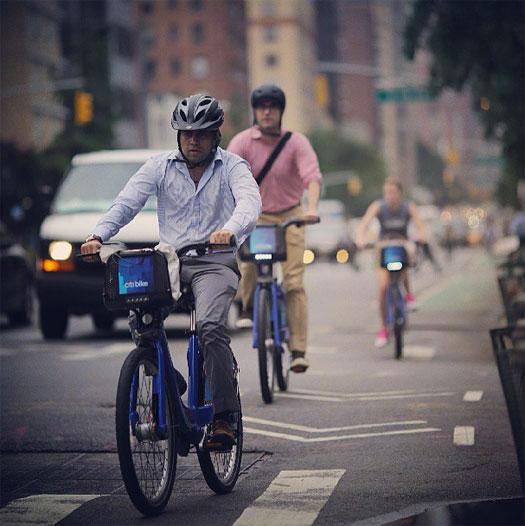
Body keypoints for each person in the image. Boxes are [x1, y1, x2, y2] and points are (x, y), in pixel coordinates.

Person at [81, 94, 261, 450]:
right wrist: (98, 234)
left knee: (209, 327)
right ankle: (167, 376)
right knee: (142, 322)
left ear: (215, 137)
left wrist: (230, 229)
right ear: (178, 136)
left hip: (214, 261)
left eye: (201, 134)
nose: (193, 140)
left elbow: (250, 203)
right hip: (170, 261)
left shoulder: (233, 167)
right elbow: (127, 202)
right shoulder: (158, 166)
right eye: (186, 133)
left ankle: (224, 417)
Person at [228, 84, 322, 373]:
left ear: (280, 111)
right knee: (249, 266)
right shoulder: (242, 142)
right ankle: (247, 306)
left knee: (294, 282)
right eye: (261, 106)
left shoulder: (296, 142)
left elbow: (312, 177)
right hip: (256, 215)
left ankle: (297, 350)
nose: (267, 111)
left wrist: (312, 208)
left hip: (292, 216)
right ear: (255, 111)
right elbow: (226, 175)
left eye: (272, 106)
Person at [355, 177, 426, 347]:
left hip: (402, 245)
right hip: (384, 247)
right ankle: (383, 328)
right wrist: (361, 239)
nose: (390, 196)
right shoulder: (378, 206)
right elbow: (363, 225)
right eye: (387, 192)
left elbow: (421, 226)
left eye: (393, 192)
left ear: (400, 194)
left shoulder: (408, 207)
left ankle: (409, 295)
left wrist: (421, 236)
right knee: (383, 287)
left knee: (407, 258)